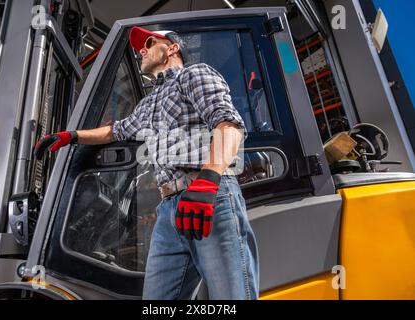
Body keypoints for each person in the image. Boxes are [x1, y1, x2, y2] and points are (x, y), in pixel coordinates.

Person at [34, 26, 259, 300]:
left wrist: (208, 181)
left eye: (150, 42)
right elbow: (115, 130)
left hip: (209, 195)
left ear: (173, 48)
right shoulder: (147, 104)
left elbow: (229, 124)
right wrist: (71, 136)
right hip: (168, 211)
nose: (142, 49)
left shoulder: (193, 74)